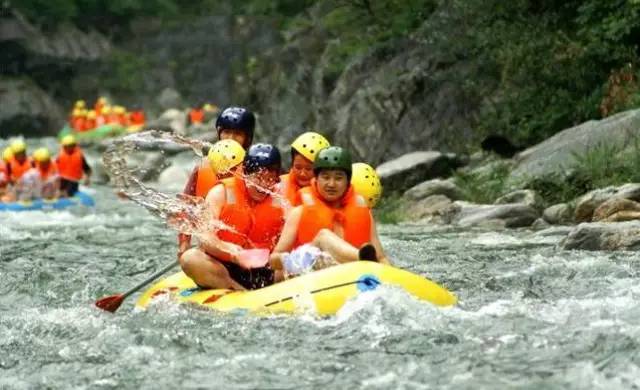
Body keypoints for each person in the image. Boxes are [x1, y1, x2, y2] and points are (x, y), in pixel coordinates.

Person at [179, 144, 284, 290]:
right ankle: (236, 290)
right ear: (245, 174)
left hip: (265, 267)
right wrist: (233, 253)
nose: (263, 185)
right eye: (258, 179)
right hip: (226, 267)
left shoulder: (281, 197)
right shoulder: (220, 193)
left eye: (270, 179)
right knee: (190, 259)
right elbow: (205, 237)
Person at [270, 146, 390, 272]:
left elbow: (381, 258)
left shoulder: (364, 213)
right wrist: (296, 260)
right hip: (309, 273)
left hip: (348, 276)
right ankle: (361, 259)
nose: (331, 184)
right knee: (324, 236)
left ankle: (361, 261)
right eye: (326, 177)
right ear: (316, 179)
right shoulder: (299, 212)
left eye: (338, 178)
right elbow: (273, 260)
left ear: (348, 182)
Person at [177, 139, 246, 258]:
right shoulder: (214, 190)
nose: (231, 136)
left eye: (232, 171)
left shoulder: (257, 179)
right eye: (223, 174)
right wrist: (184, 244)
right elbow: (186, 208)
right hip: (220, 247)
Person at [182, 106, 255, 199]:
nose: (230, 138)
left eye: (238, 134)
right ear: (219, 135)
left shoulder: (255, 170)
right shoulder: (202, 167)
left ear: (248, 139)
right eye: (226, 132)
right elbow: (184, 205)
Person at [277, 131, 330, 210]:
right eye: (298, 167)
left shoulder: (332, 193)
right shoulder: (277, 185)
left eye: (309, 169)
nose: (302, 174)